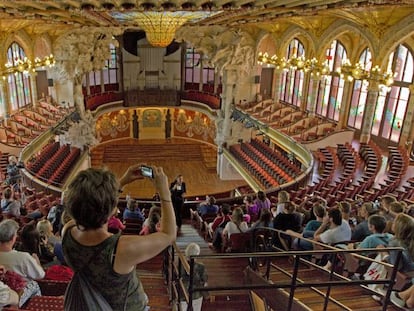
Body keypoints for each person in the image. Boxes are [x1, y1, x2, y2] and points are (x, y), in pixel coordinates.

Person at [62, 164, 176, 311]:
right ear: (113, 211)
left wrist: (121, 182)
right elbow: (168, 234)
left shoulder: (67, 231)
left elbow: (90, 207)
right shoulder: (120, 249)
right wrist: (164, 192)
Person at [179, 243, 208, 311]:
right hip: (196, 294)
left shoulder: (180, 265)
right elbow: (204, 280)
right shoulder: (201, 267)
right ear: (197, 253)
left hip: (183, 293)